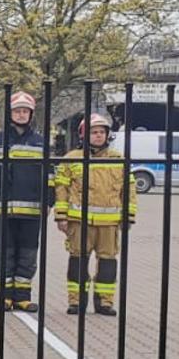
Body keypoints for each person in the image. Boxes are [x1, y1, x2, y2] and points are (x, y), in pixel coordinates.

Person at [53, 113, 134, 316]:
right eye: (93, 132)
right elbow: (61, 189)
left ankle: (104, 303)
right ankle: (76, 302)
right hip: (78, 222)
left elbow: (129, 189)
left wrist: (128, 216)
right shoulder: (71, 159)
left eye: (101, 132)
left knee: (108, 263)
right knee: (77, 261)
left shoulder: (118, 160)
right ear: (84, 136)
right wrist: (61, 216)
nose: (98, 136)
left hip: (109, 223)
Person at [0, 91, 51, 312]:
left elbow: (50, 175)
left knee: (27, 255)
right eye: (17, 111)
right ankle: (5, 297)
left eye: (25, 111)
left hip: (31, 210)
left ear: (31, 114)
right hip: (1, 209)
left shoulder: (41, 142)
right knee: (3, 255)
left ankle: (22, 297)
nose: (21, 115)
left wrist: (48, 201)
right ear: (10, 113)